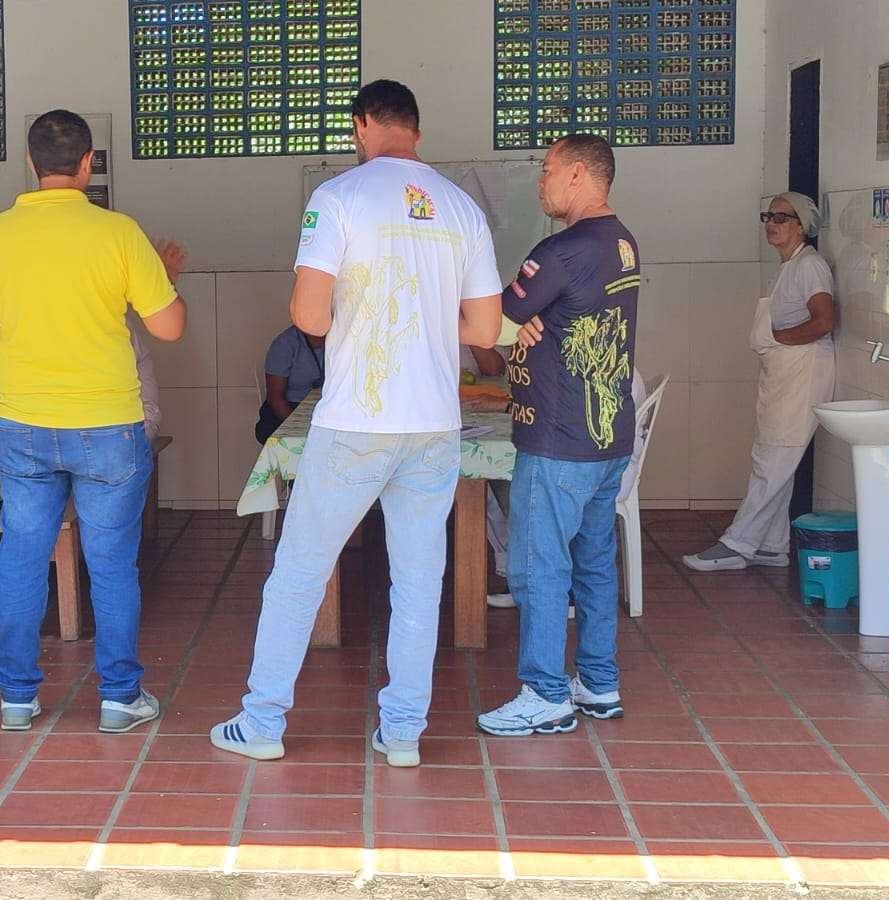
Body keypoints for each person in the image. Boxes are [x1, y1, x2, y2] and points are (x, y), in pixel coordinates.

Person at [209, 79, 502, 767]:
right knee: (418, 581)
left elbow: (309, 317)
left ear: (361, 125)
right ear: (417, 132)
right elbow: (486, 329)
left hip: (356, 420)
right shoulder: (463, 209)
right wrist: (428, 318)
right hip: (434, 425)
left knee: (300, 572)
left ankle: (263, 722)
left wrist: (360, 316)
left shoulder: (337, 197)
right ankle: (402, 734)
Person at [0, 109, 187, 734]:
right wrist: (162, 285)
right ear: (87, 164)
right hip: (108, 425)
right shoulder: (119, 232)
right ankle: (120, 697)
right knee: (110, 564)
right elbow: (169, 327)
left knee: (23, 558)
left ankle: (16, 698)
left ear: (30, 163)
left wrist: (12, 319)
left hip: (25, 424)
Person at [476, 133, 640, 737]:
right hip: (606, 435)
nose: (540, 182)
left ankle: (545, 693)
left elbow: (492, 320)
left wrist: (506, 320)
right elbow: (540, 316)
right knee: (593, 562)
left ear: (577, 174)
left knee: (537, 567)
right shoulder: (621, 242)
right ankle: (597, 681)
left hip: (558, 437)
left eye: (547, 171)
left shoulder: (561, 250)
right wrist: (522, 321)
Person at [683, 193, 835, 572]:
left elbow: (824, 320)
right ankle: (771, 545)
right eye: (769, 216)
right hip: (783, 374)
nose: (772, 223)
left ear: (801, 226)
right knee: (773, 459)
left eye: (782, 217)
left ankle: (737, 544)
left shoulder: (810, 266)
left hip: (801, 376)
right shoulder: (787, 266)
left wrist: (779, 339)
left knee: (773, 462)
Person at [485, 368, 649, 609]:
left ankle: (534, 580)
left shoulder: (590, 367)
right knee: (596, 562)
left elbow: (565, 419)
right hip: (610, 465)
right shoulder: (620, 362)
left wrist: (511, 407)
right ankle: (530, 575)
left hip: (590, 468)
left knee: (518, 477)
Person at [255, 325, 325, 444]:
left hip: (321, 410)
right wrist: (300, 428)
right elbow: (275, 399)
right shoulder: (285, 344)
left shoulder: (339, 341)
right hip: (287, 412)